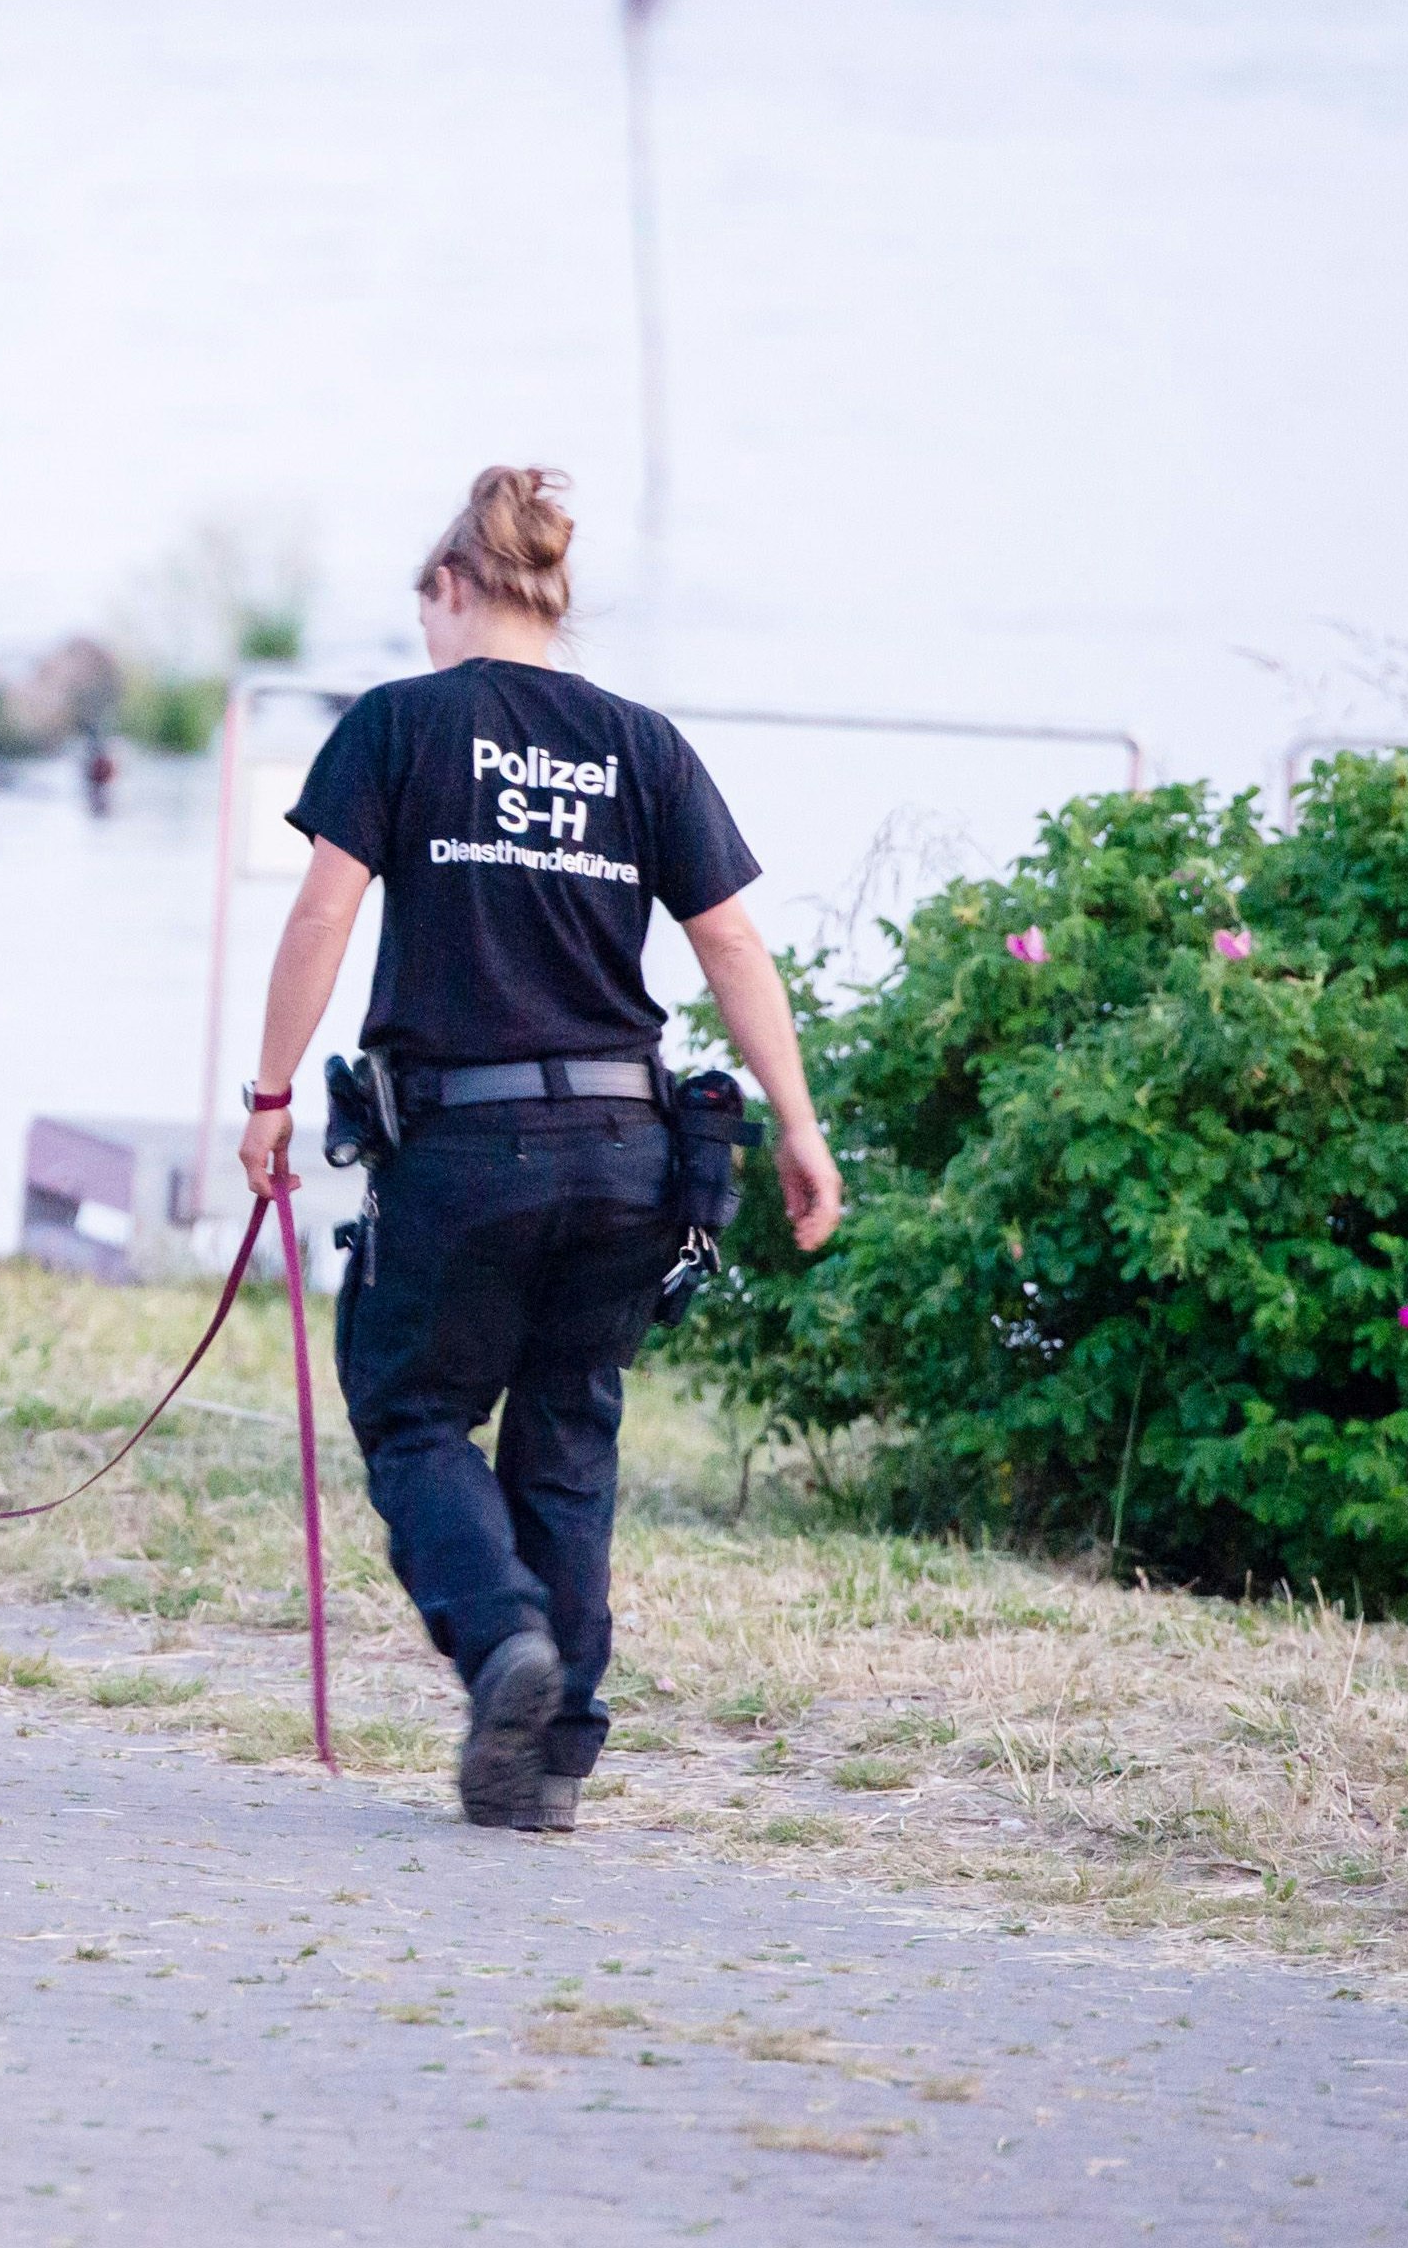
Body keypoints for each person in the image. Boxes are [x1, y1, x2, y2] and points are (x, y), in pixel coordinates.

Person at [233, 466, 841, 1830]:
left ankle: (505, 1636)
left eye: (425, 613)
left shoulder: (399, 723)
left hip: (465, 1147)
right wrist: (797, 1124)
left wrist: (269, 1093)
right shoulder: (641, 743)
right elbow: (731, 941)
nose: (425, 638)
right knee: (566, 1433)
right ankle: (547, 1761)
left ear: (452, 586)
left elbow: (322, 917)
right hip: (628, 1152)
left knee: (412, 1412)